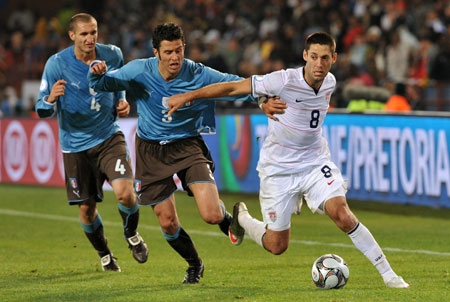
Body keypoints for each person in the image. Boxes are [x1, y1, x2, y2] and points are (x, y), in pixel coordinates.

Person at [167, 32, 410, 289]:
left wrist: (264, 102)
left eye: (324, 58)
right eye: (313, 57)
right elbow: (232, 87)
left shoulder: (330, 82)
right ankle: (241, 218)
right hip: (278, 169)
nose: (318, 64)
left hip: (314, 162)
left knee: (342, 214)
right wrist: (189, 96)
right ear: (305, 56)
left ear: (334, 59)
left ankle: (389, 275)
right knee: (276, 245)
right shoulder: (282, 80)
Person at [88, 22, 281, 284]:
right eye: (168, 52)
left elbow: (234, 84)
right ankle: (194, 264)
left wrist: (260, 99)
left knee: (211, 214)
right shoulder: (138, 70)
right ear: (156, 52)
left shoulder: (197, 73)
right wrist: (96, 74)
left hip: (187, 144)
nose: (175, 57)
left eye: (179, 50)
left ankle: (227, 218)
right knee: (167, 222)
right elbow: (104, 84)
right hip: (151, 150)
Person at [35, 13, 148, 272]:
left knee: (126, 193)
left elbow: (119, 82)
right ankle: (105, 255)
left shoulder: (112, 55)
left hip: (108, 136)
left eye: (93, 32)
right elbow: (40, 107)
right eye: (84, 34)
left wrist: (122, 100)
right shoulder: (56, 64)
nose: (90, 38)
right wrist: (50, 99)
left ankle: (131, 235)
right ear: (72, 35)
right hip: (75, 146)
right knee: (87, 209)